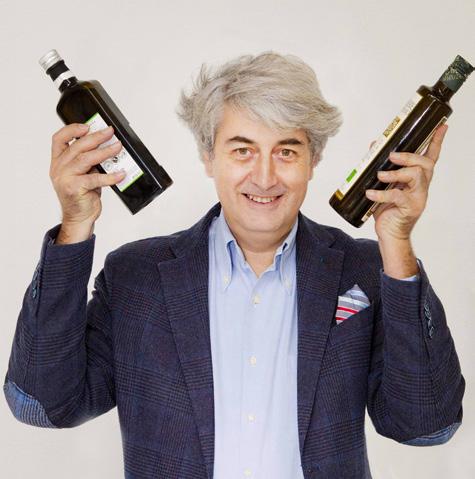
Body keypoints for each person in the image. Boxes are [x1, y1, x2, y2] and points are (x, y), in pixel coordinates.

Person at [4, 51, 464, 479]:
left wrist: (396, 242)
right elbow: (42, 404)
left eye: (286, 151)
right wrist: (75, 224)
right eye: (242, 150)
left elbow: (426, 425)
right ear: (209, 157)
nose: (264, 177)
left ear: (314, 160)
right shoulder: (135, 277)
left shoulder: (365, 270)